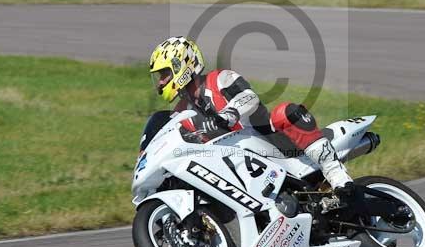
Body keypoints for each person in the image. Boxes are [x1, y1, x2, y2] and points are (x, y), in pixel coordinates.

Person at [148, 36, 353, 206]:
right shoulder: (181, 113)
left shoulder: (220, 79)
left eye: (164, 74)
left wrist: (229, 114)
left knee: (285, 112)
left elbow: (250, 97)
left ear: (181, 66)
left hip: (272, 144)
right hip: (233, 167)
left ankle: (339, 179)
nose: (160, 82)